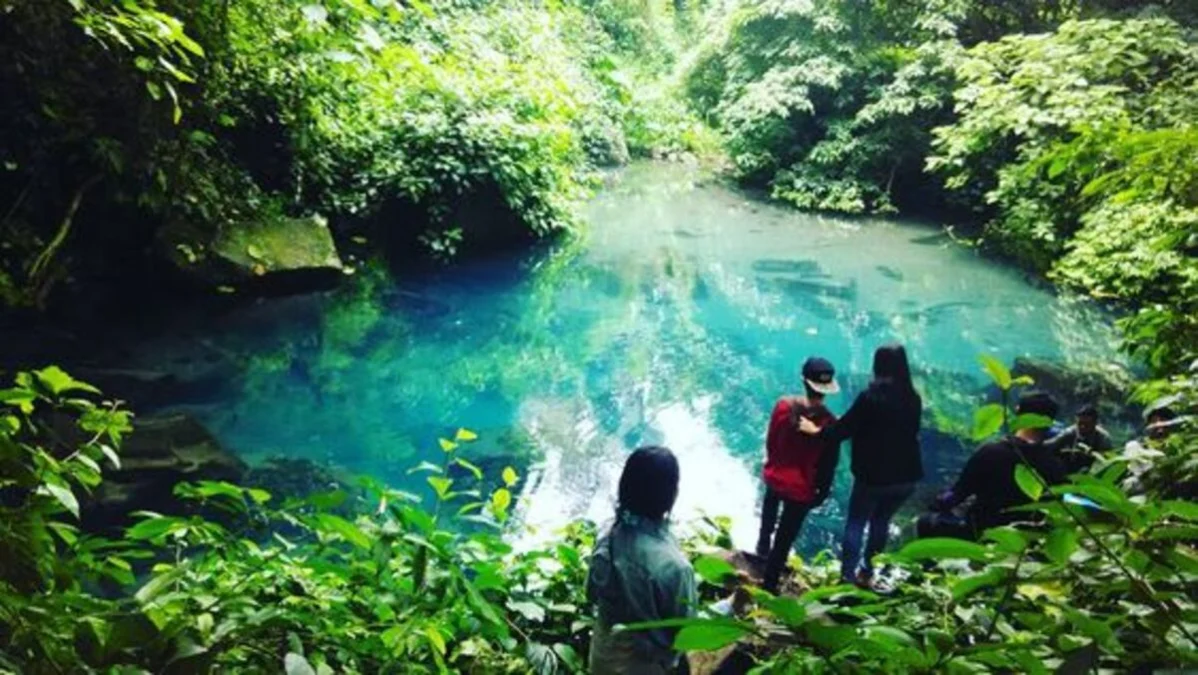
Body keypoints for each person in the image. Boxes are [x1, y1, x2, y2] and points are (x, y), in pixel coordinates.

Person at [799, 344, 922, 587]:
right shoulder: (913, 398)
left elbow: (843, 429)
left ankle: (847, 578)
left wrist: (817, 431)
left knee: (856, 522)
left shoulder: (871, 397)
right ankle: (867, 572)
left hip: (873, 476)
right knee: (881, 521)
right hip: (907, 476)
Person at [587, 446, 697, 675]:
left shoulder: (606, 534)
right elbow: (687, 634)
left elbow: (591, 594)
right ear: (671, 495)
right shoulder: (674, 567)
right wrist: (730, 606)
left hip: (603, 659)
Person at [920, 391, 1067, 540]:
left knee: (926, 522)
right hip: (1025, 541)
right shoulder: (1055, 466)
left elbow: (957, 494)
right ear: (1050, 422)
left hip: (981, 532)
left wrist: (934, 504)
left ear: (1018, 413)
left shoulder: (991, 452)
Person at [756, 356, 841, 593]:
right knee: (784, 541)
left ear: (804, 380)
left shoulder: (783, 406)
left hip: (776, 476)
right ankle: (769, 586)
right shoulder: (829, 424)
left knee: (769, 511)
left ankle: (761, 547)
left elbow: (771, 440)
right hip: (801, 489)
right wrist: (822, 492)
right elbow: (828, 465)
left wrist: (773, 464)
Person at [1045, 404, 1112, 474]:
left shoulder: (1103, 438)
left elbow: (1107, 462)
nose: (1082, 427)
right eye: (1080, 423)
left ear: (1095, 423)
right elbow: (1051, 445)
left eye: (1087, 425)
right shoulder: (1071, 432)